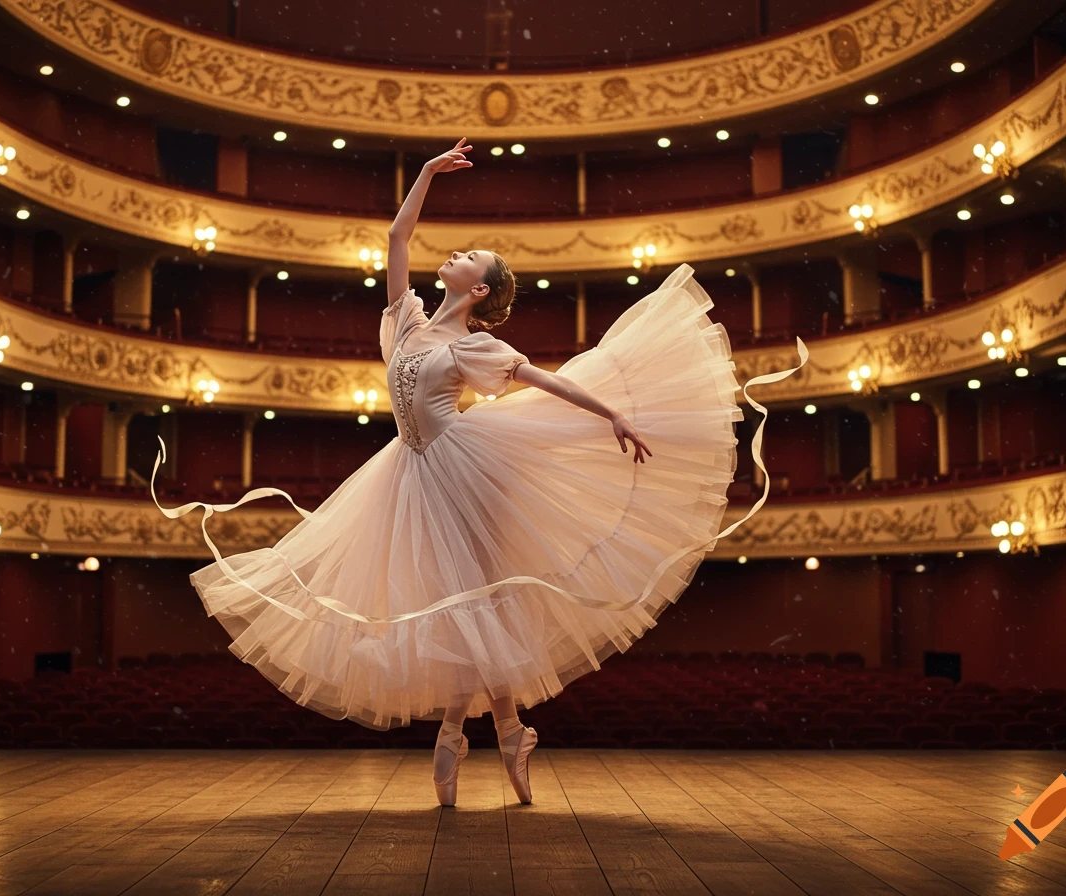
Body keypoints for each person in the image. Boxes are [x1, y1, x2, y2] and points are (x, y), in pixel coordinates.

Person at [151, 138, 807, 807]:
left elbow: (543, 379)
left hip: (465, 473)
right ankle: (507, 727)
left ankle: (456, 733)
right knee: (460, 605)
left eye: (470, 257)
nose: (457, 254)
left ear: (480, 288)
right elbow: (397, 235)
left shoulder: (475, 346)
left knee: (470, 601)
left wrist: (610, 412)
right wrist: (429, 172)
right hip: (407, 475)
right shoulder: (405, 320)